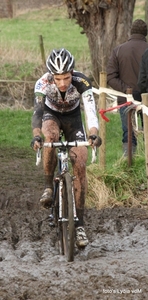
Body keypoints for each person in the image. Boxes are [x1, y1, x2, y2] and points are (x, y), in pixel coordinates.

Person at [30, 48, 101, 247]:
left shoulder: (82, 82)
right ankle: (47, 187)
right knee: (50, 137)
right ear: (51, 76)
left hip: (73, 119)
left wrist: (94, 133)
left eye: (66, 78)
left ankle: (79, 225)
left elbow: (90, 112)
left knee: (80, 164)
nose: (62, 83)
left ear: (72, 73)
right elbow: (37, 113)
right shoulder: (42, 84)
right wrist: (37, 136)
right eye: (58, 78)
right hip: (51, 115)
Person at [107, 19, 148, 156]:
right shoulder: (146, 50)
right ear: (145, 33)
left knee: (128, 134)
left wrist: (126, 90)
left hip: (126, 99)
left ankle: (128, 166)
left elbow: (110, 76)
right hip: (146, 98)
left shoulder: (118, 50)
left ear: (131, 32)